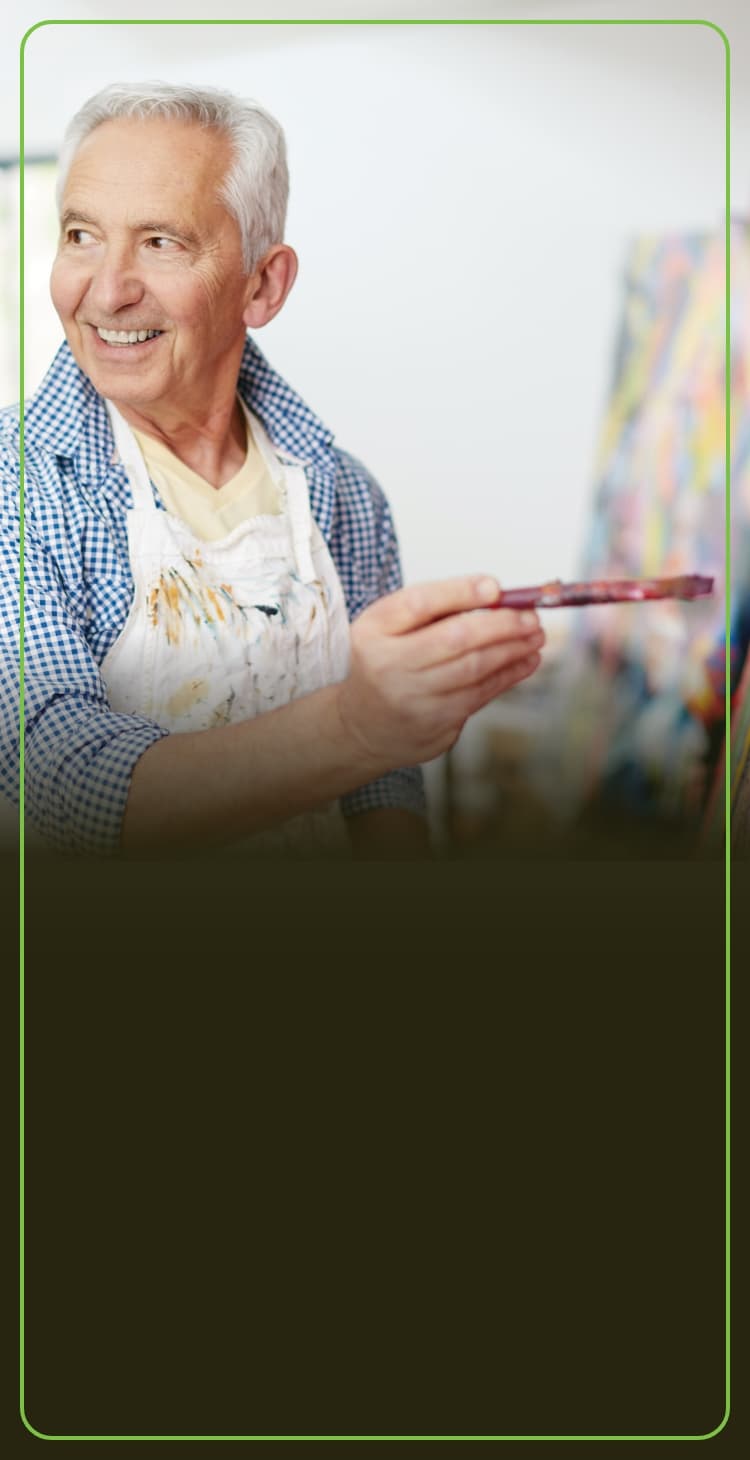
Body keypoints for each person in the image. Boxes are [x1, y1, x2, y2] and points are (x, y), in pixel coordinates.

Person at [0, 82, 545, 858]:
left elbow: (384, 788)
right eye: (81, 235)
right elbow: (68, 789)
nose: (108, 291)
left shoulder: (343, 494)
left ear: (263, 285)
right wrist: (355, 724)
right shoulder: (17, 486)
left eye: (161, 243)